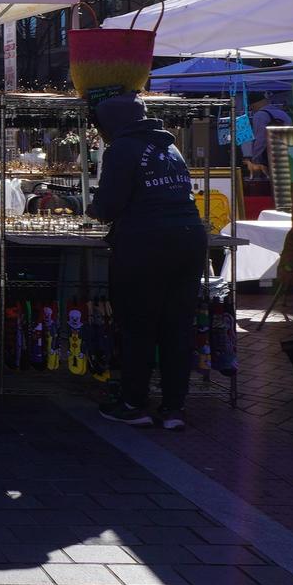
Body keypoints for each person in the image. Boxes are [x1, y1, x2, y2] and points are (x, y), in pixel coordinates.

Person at [87, 92, 209, 430]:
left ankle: (133, 403)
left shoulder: (121, 149)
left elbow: (108, 206)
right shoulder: (169, 146)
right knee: (176, 326)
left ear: (112, 124)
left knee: (138, 324)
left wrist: (93, 209)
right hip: (189, 239)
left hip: (146, 242)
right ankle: (173, 408)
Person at [242, 90, 293, 176]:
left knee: (269, 180)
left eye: (251, 107)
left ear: (253, 105)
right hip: (287, 153)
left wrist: (255, 160)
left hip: (270, 157)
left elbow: (260, 140)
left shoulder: (260, 115)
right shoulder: (283, 114)